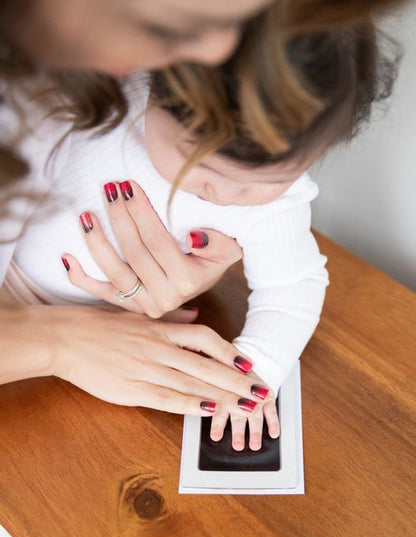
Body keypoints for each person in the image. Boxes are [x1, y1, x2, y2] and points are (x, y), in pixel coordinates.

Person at [0, 19, 397, 449]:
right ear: (150, 88)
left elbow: (295, 286)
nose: (224, 197)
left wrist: (255, 371)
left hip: (111, 335)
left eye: (261, 183)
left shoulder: (280, 204)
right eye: (199, 166)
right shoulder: (94, 109)